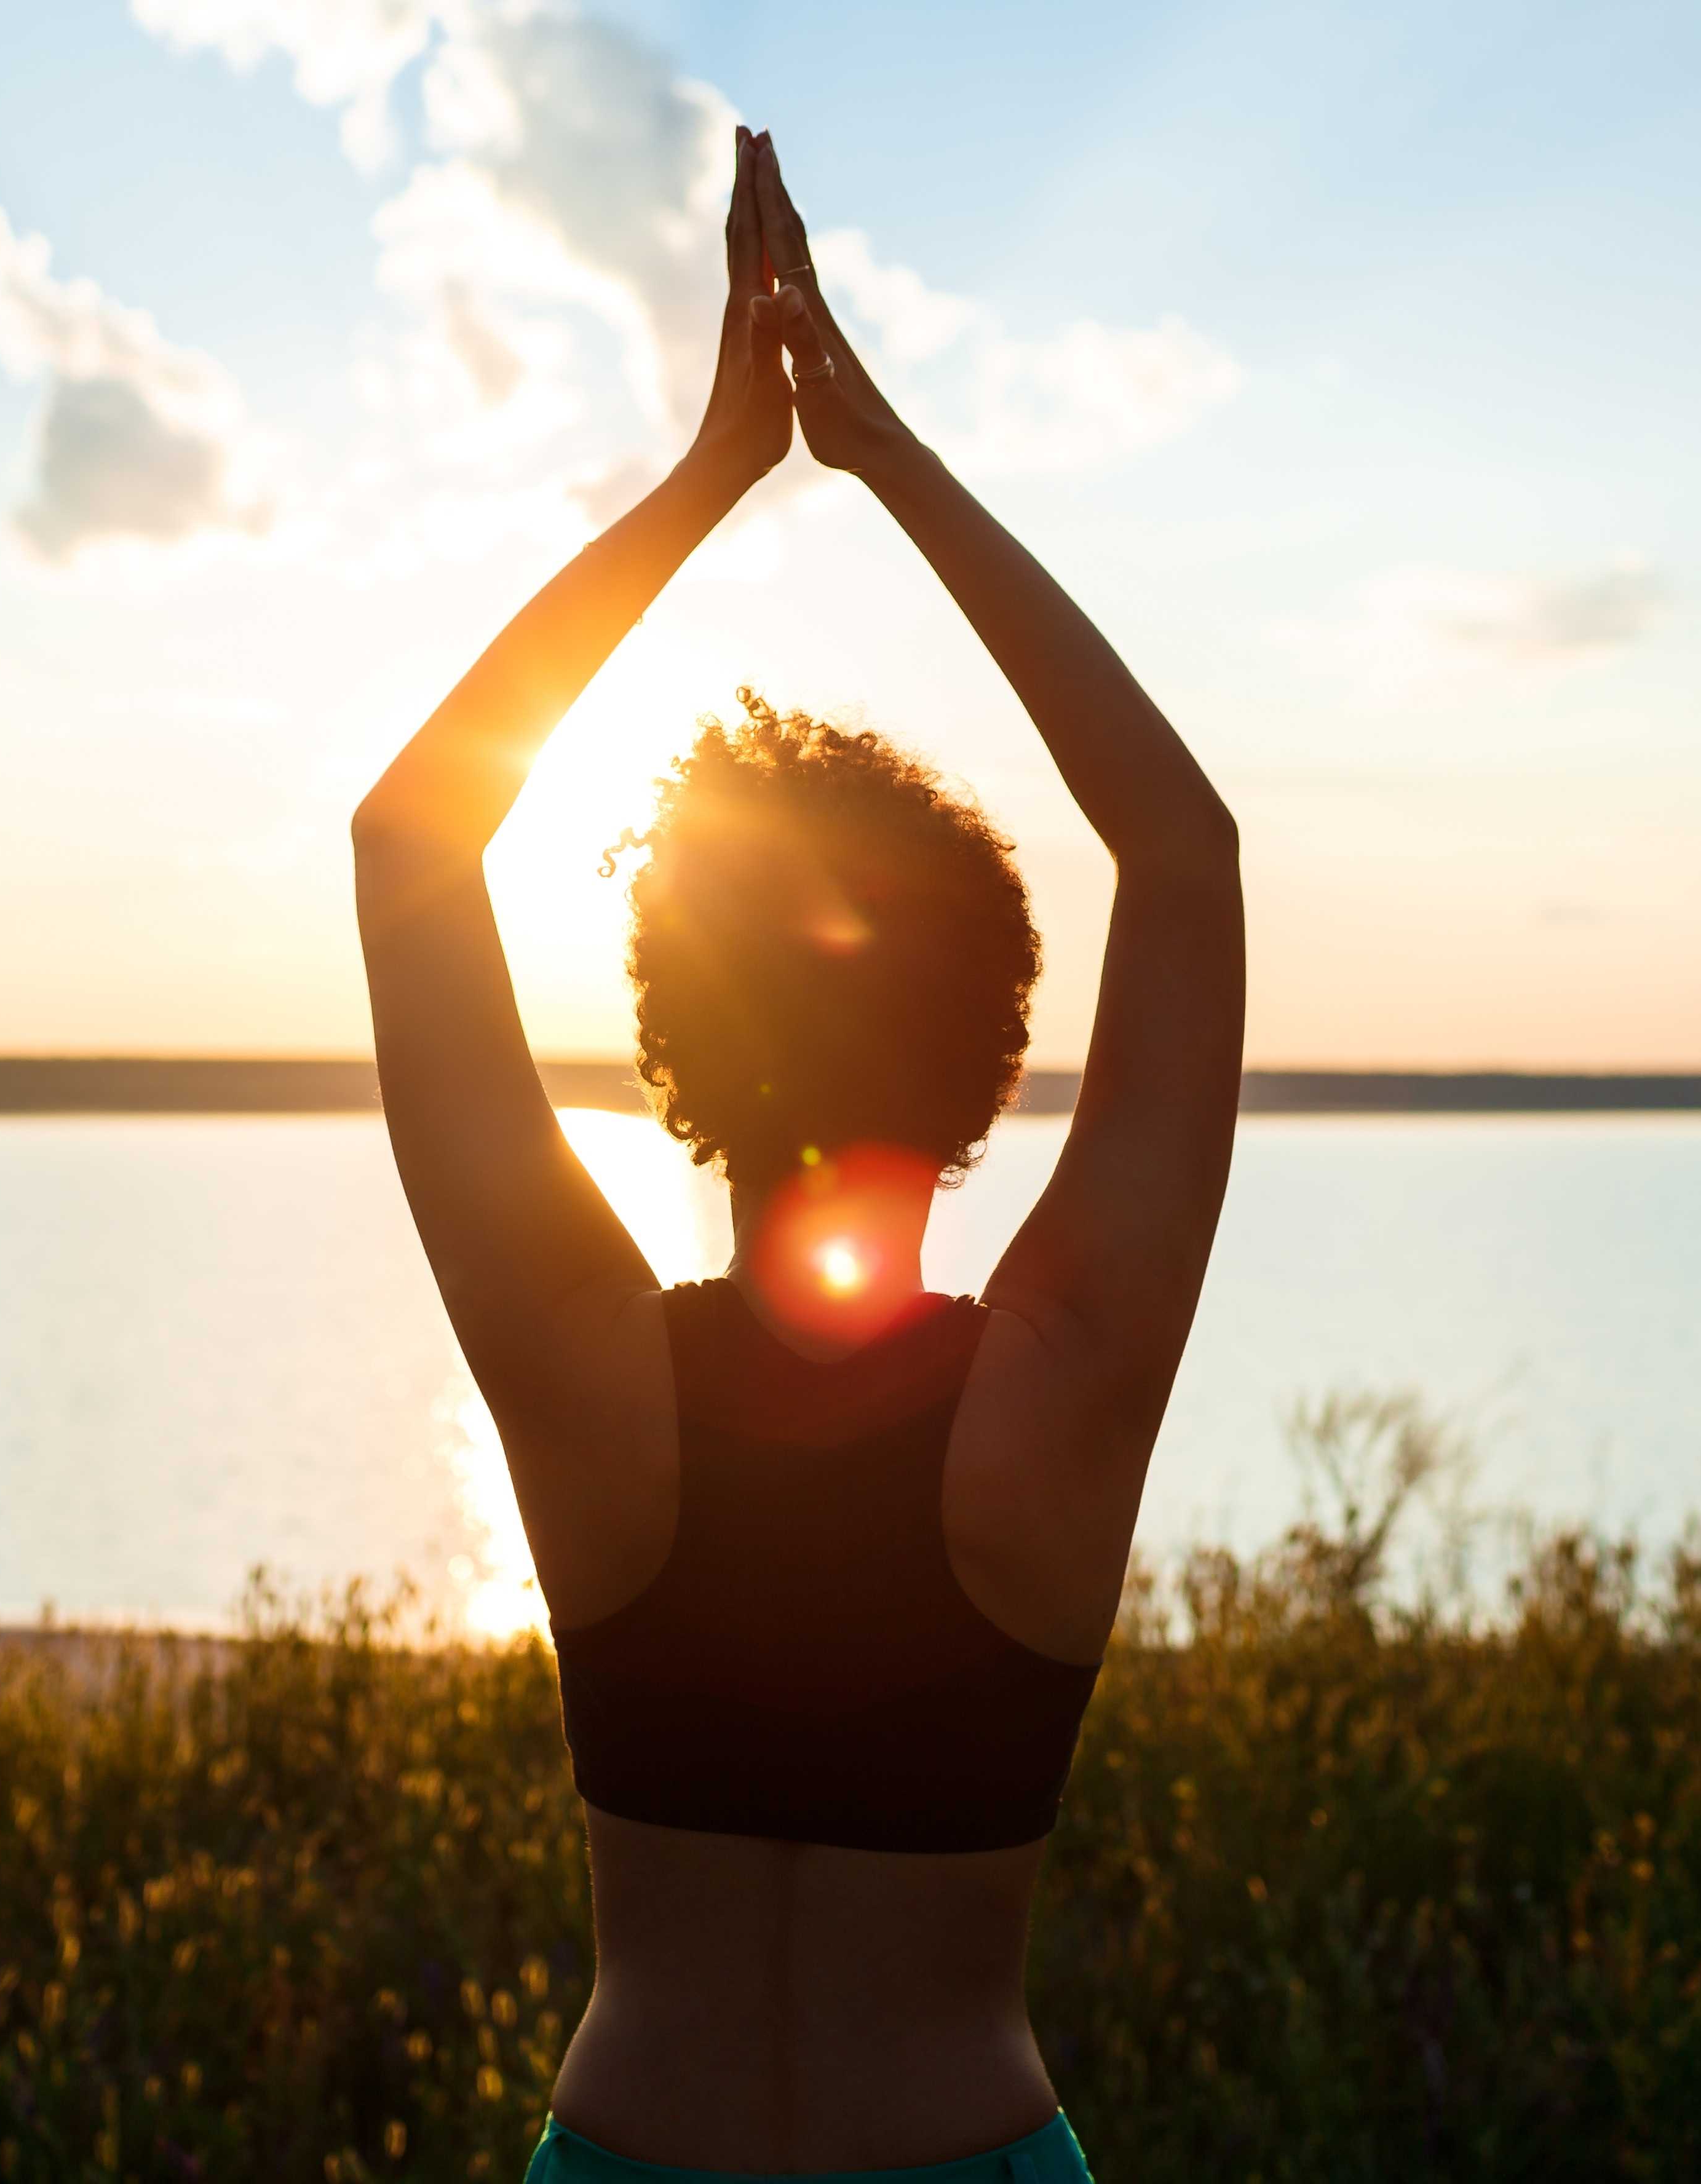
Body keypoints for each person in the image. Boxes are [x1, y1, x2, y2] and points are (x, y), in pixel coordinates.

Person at [353, 124, 1243, 2184]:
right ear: (988, 1057)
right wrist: (879, 455)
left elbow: (410, 845)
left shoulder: (587, 1374)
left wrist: (713, 475)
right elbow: (1182, 856)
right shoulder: (1060, 1384)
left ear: (680, 1039)